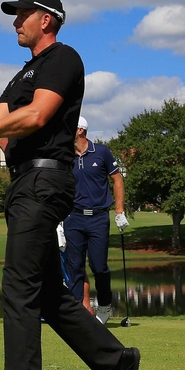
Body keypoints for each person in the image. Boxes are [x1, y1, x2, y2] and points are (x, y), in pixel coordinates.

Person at [0, 0, 139, 370]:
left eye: (21, 14)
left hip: (45, 181)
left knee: (18, 287)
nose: (14, 22)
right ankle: (117, 361)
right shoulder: (22, 74)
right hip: (23, 184)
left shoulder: (64, 58)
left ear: (46, 19)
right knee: (44, 292)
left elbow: (38, 115)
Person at [63, 116, 129, 324]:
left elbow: (117, 179)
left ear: (81, 130)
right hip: (73, 217)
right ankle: (76, 311)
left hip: (99, 218)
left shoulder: (101, 152)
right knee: (74, 266)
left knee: (99, 267)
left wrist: (119, 211)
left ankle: (105, 304)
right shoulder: (65, 156)